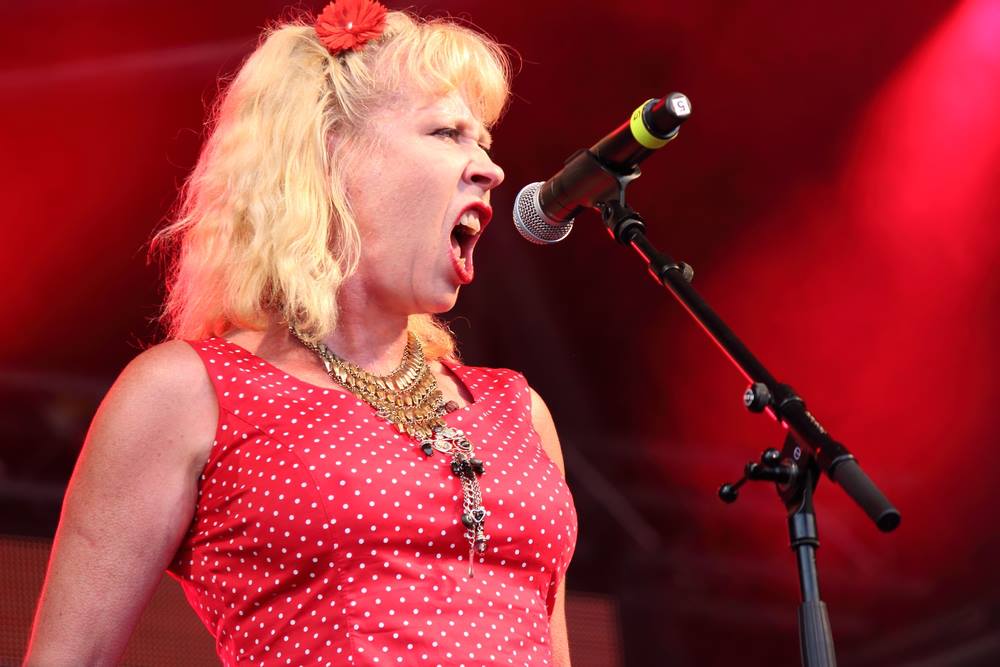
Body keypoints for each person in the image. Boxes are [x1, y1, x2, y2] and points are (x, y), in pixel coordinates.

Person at [24, 1, 577, 665]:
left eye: (484, 143)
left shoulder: (517, 411)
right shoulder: (190, 392)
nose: (490, 168)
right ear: (330, 151)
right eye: (447, 133)